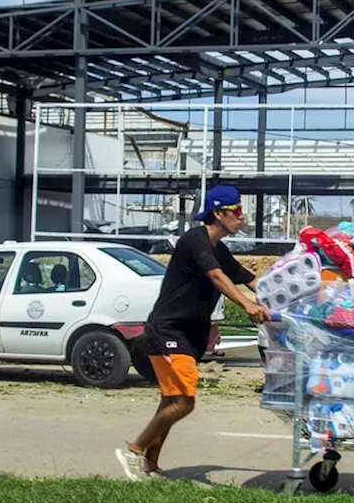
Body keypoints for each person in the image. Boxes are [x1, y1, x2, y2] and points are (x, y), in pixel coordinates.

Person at [115, 185, 270, 480]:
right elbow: (217, 277)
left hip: (187, 334)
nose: (242, 216)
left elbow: (249, 279)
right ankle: (134, 450)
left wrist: (284, 300)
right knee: (184, 401)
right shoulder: (195, 241)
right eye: (236, 210)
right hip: (168, 332)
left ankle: (150, 465)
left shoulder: (217, 248)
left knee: (170, 402)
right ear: (218, 213)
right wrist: (247, 306)